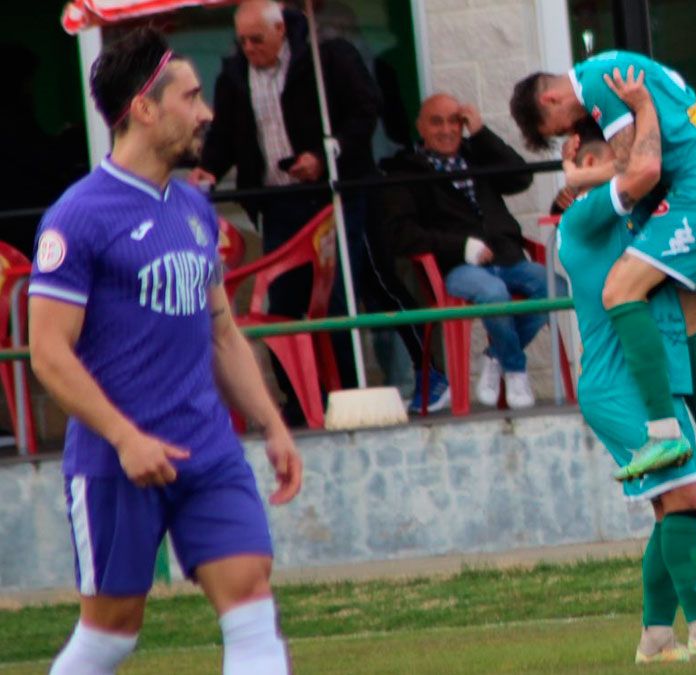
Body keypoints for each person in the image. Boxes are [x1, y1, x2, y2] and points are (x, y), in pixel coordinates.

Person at [29, 29, 301, 674]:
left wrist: (271, 424)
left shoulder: (194, 208)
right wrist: (125, 439)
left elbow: (222, 331)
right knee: (110, 636)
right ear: (145, 109)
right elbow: (48, 354)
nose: (206, 112)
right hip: (116, 461)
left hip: (208, 449)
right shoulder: (78, 217)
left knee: (252, 605)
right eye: (192, 96)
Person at [558, 70, 696, 662]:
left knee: (676, 505)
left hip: (651, 379)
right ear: (583, 164)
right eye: (605, 155)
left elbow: (692, 334)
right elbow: (637, 169)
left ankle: (654, 638)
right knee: (684, 495)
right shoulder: (584, 217)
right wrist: (642, 106)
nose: (622, 162)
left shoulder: (658, 224)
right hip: (614, 385)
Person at [510, 51, 696, 495]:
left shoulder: (597, 81)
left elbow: (637, 168)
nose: (574, 129)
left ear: (550, 98)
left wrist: (577, 177)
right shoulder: (610, 64)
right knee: (688, 324)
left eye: (561, 127)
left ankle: (662, 435)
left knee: (620, 290)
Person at [188, 0, 379, 424]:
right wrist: (209, 169)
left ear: (280, 31)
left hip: (330, 195)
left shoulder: (325, 55)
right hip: (278, 203)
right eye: (242, 41)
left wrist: (323, 157)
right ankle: (298, 400)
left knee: (336, 298)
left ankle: (345, 392)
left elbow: (365, 112)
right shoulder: (235, 74)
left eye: (257, 39)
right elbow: (225, 135)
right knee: (284, 301)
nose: (249, 48)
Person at [368, 92, 560, 410]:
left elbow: (520, 177)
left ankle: (498, 357)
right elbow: (400, 235)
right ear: (421, 127)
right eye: (436, 122)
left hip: (508, 258)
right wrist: (462, 247)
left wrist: (482, 133)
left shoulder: (476, 154)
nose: (447, 130)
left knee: (557, 288)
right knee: (495, 293)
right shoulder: (405, 172)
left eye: (454, 121)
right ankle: (515, 371)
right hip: (457, 268)